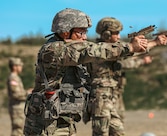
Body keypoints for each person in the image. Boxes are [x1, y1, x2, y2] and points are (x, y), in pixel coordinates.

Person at [23, 8, 152, 136]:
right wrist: (129, 47)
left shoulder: (69, 52)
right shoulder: (54, 50)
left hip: (62, 121)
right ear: (65, 32)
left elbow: (104, 54)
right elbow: (92, 50)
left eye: (86, 32)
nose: (85, 38)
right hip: (45, 126)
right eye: (81, 33)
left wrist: (146, 45)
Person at [83, 17, 167, 136]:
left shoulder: (112, 49)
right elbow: (129, 51)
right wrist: (155, 42)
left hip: (110, 97)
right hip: (100, 99)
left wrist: (153, 42)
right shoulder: (100, 50)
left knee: (118, 132)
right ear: (107, 34)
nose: (118, 37)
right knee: (100, 133)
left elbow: (130, 50)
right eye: (116, 33)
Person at [7, 57, 30, 136]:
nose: (21, 67)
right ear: (14, 67)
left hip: (19, 108)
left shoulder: (16, 78)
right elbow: (16, 94)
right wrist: (27, 93)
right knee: (18, 131)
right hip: (17, 108)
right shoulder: (13, 78)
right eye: (19, 65)